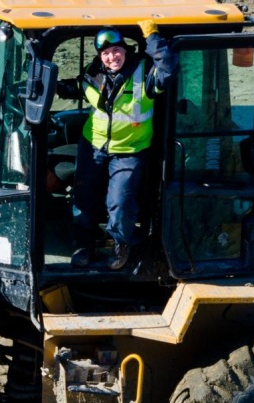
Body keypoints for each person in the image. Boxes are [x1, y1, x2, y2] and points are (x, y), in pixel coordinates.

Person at [57, 20, 177, 269]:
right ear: (100, 57)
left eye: (116, 51)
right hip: (93, 147)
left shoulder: (144, 74)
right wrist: (51, 84)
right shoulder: (94, 75)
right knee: (83, 199)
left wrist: (153, 37)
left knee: (120, 202)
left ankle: (121, 245)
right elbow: (78, 88)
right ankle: (83, 246)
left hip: (129, 152)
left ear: (125, 50)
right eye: (106, 53)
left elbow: (167, 71)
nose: (112, 57)